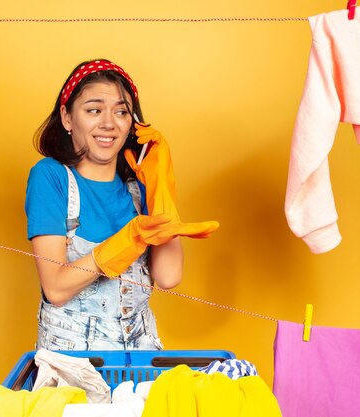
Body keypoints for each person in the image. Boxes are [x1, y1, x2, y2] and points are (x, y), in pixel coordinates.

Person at [25, 59, 219, 351]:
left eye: (121, 112)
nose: (108, 123)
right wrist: (129, 239)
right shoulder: (51, 176)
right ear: (67, 118)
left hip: (140, 351)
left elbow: (168, 276)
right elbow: (55, 288)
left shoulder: (138, 188)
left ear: (132, 124)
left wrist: (159, 185)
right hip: (72, 358)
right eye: (94, 110)